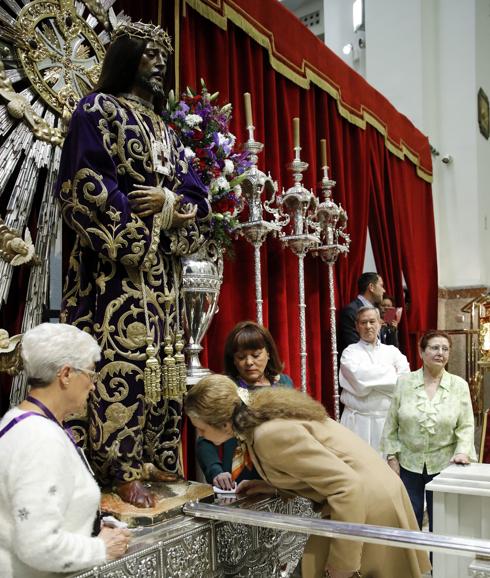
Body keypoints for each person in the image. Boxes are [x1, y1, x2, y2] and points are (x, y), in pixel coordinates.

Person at [55, 21, 209, 507]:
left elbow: (196, 198)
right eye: (148, 54)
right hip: (113, 275)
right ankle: (117, 465)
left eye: (164, 55)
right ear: (126, 59)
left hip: (163, 278)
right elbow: (87, 185)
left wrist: (168, 204)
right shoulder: (96, 111)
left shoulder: (167, 131)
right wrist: (143, 226)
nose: (159, 62)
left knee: (164, 368)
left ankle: (158, 455)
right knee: (121, 363)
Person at [186, 375, 431, 578]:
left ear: (224, 423)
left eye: (202, 428)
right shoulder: (262, 417)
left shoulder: (267, 434)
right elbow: (318, 466)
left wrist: (343, 565)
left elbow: (347, 487)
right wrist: (273, 486)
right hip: (369, 496)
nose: (200, 434)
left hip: (367, 506)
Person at [0, 323, 131, 578]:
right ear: (67, 374)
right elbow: (38, 545)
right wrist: (100, 547)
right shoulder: (41, 439)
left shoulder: (18, 420)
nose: (93, 386)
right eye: (91, 374)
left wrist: (92, 526)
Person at [382, 330, 477, 531]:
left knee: (442, 522)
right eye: (434, 348)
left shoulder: (459, 385)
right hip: (408, 463)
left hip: (445, 464)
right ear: (421, 352)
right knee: (408, 520)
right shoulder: (404, 382)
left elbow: (466, 425)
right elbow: (391, 423)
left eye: (445, 349)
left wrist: (462, 451)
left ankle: (439, 563)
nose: (440, 353)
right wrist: (392, 457)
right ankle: (412, 563)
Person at [196, 321, 293, 490]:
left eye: (256, 355)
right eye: (241, 357)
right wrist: (215, 471)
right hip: (238, 482)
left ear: (268, 353)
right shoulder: (225, 389)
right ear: (233, 359)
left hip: (280, 479)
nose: (249, 362)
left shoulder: (284, 383)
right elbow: (204, 439)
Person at [340, 306, 409, 453]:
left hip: (386, 421)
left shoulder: (392, 351)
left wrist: (370, 380)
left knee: (387, 470)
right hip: (357, 423)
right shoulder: (349, 353)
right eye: (363, 322)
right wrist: (391, 374)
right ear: (357, 326)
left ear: (380, 323)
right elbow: (358, 382)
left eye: (372, 321)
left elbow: (404, 381)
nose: (368, 326)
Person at [338, 272, 386, 355]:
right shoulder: (351, 310)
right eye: (381, 286)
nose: (384, 290)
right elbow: (353, 344)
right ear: (371, 287)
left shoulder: (376, 311)